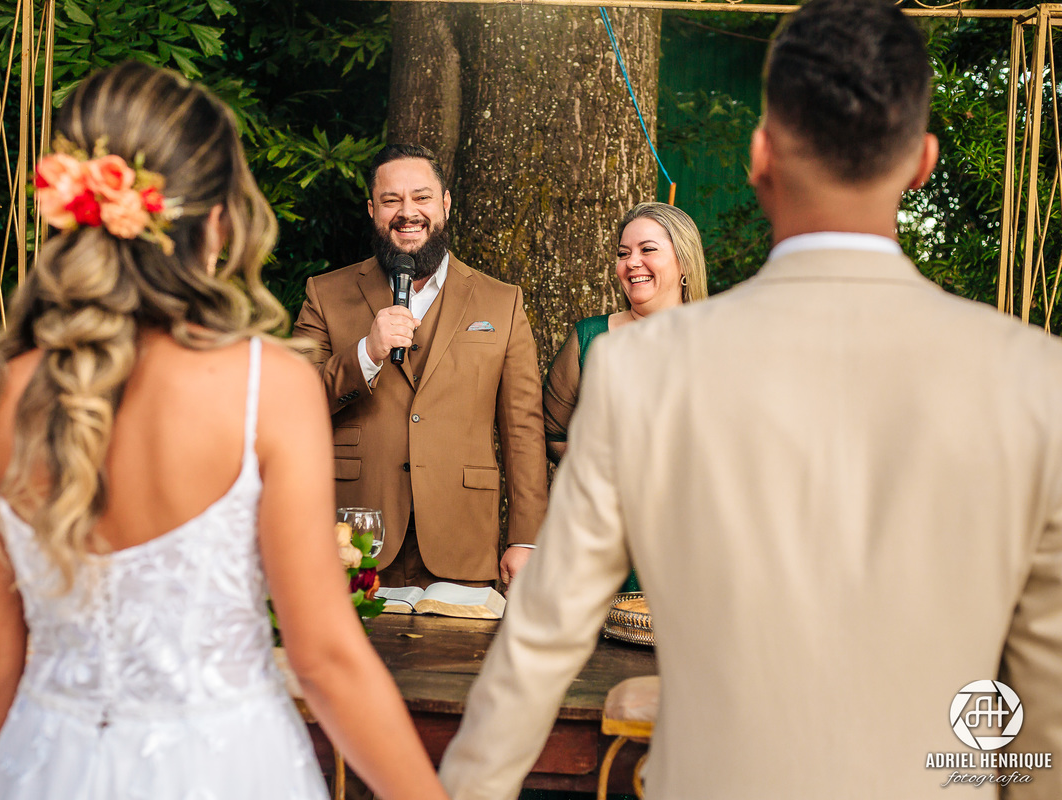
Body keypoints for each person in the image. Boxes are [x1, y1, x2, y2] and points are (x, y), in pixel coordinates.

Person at [438, 0, 1062, 797]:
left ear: (761, 155)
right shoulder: (1035, 379)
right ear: (923, 162)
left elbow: (541, 641)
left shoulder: (642, 368)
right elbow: (1048, 708)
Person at [0, 62, 449, 800]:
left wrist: (35, 767)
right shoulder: (268, 385)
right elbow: (326, 659)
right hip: (226, 770)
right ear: (219, 222)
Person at [292, 144, 548, 589]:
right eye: (391, 200)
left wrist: (526, 538)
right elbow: (292, 406)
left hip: (463, 536)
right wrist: (366, 353)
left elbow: (523, 429)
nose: (407, 212)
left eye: (422, 197)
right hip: (354, 538)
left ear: (445, 203)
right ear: (372, 210)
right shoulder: (325, 293)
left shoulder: (502, 302)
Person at [542, 201, 707, 465]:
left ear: (685, 261)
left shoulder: (718, 340)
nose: (631, 262)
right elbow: (553, 434)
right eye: (623, 253)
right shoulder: (590, 337)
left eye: (647, 249)